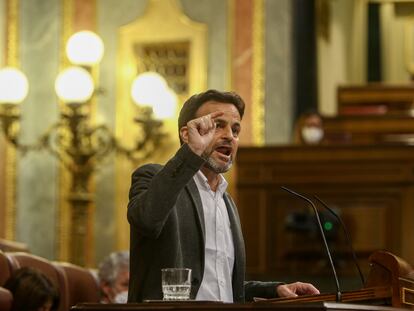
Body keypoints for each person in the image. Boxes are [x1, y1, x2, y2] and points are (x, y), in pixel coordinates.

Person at [127, 89, 320, 303]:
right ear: (187, 134)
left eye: (235, 130)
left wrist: (275, 290)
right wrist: (192, 152)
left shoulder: (226, 202)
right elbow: (145, 220)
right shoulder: (153, 176)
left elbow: (223, 288)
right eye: (218, 126)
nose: (230, 136)